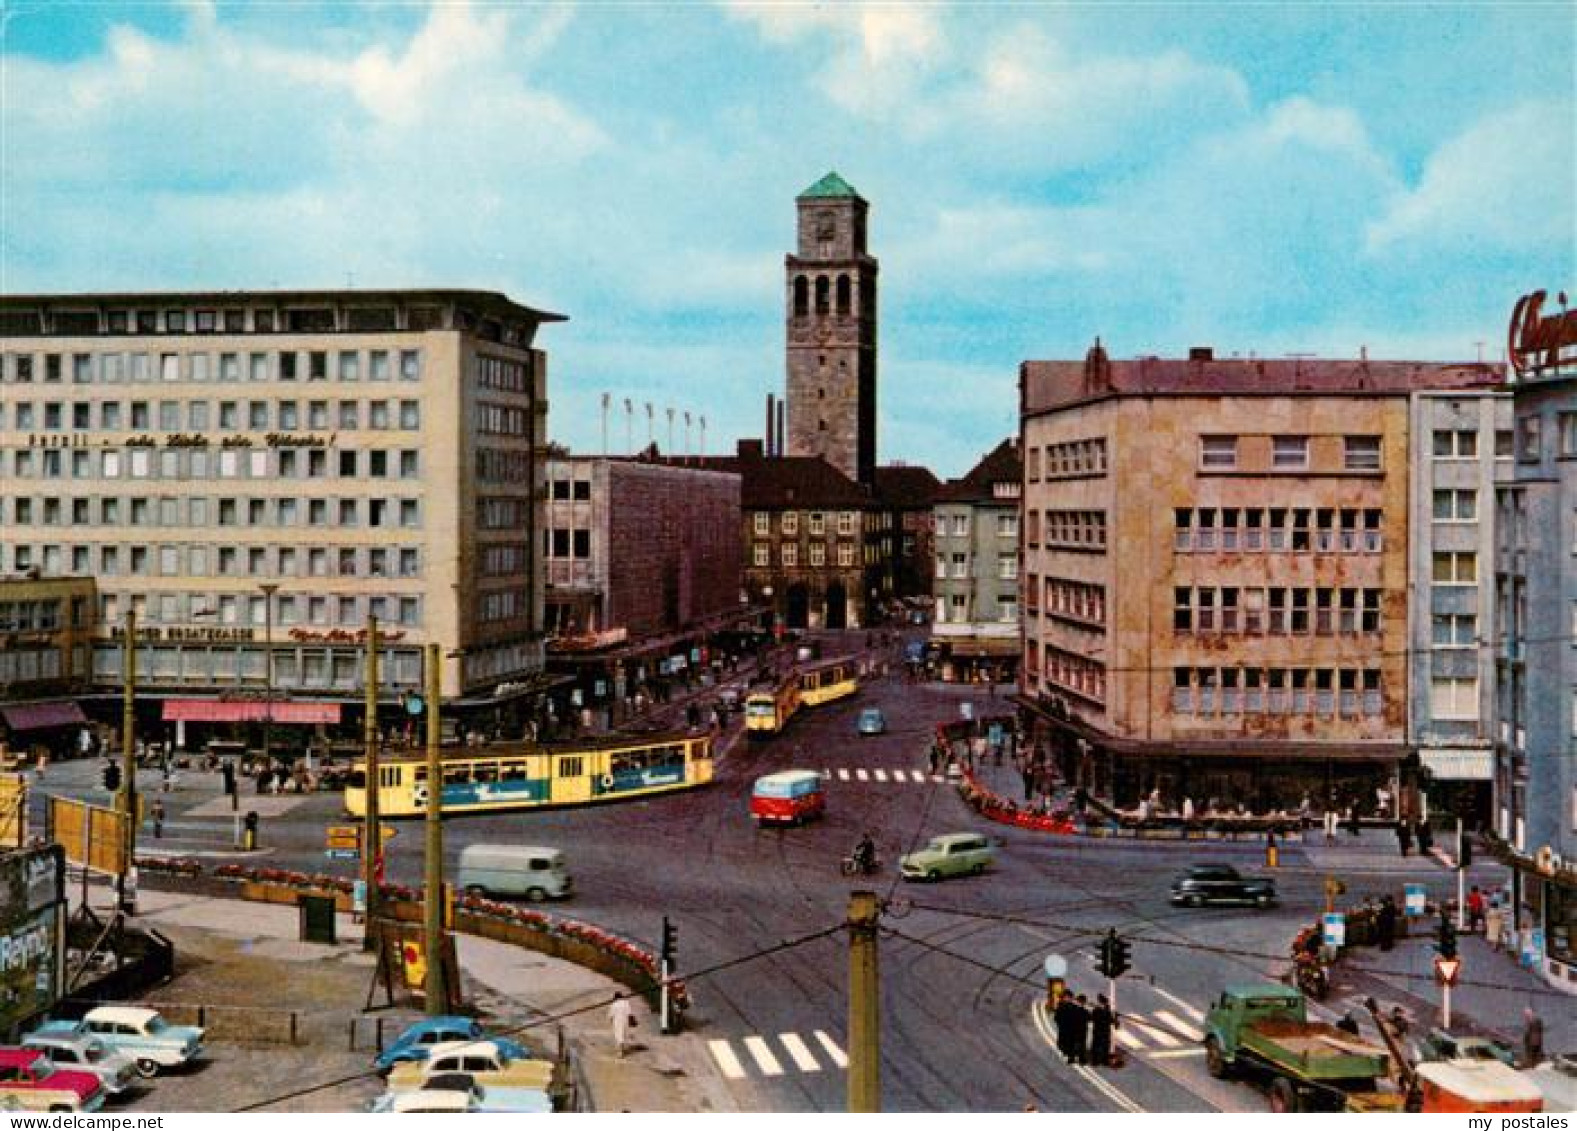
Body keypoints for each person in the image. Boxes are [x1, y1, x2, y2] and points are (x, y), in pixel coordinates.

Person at [1089, 995, 1114, 1067]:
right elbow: (1092, 1018)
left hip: (1103, 1031)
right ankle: (1095, 1061)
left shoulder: (1104, 1010)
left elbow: (1111, 1019)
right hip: (1099, 1030)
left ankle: (1103, 1060)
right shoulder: (1097, 1010)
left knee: (1104, 1046)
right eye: (1105, 1003)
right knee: (1097, 1045)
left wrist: (1114, 1020)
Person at [608, 993, 635, 1057]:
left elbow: (611, 1015)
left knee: (618, 1036)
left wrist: (611, 1022)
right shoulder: (626, 1003)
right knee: (623, 1034)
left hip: (617, 1021)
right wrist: (631, 1022)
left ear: (615, 998)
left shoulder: (614, 1004)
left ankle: (620, 1051)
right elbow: (629, 1013)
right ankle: (621, 1049)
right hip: (625, 1021)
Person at [1068, 995, 1091, 1065]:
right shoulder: (1086, 1011)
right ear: (1084, 1002)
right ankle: (1082, 1059)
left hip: (1073, 1030)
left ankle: (1071, 1058)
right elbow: (1090, 1019)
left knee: (1072, 1044)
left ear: (1077, 1001)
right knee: (1082, 1045)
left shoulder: (1072, 1010)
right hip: (1082, 1031)